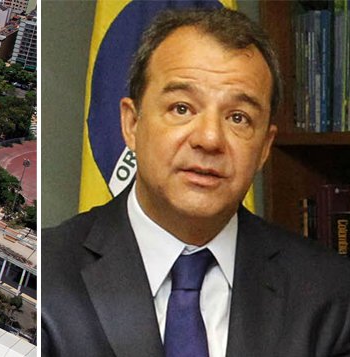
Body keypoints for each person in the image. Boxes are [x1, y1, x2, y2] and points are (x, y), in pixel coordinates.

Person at [42, 8, 350, 357]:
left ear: (264, 147)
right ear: (131, 124)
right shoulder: (51, 277)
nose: (209, 139)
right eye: (182, 108)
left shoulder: (331, 294)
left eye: (238, 117)